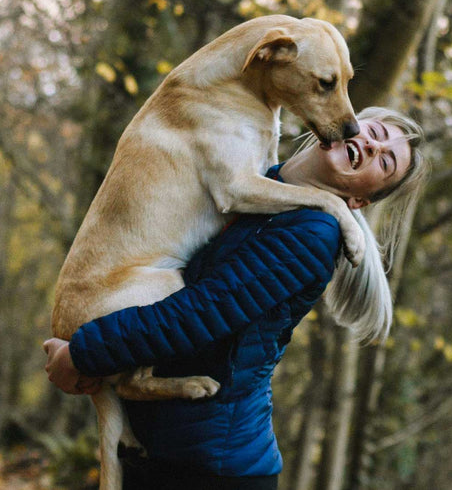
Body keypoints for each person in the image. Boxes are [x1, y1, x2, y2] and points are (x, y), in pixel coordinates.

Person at [43, 107, 428, 490]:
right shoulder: (254, 187)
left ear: (360, 200)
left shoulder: (314, 232)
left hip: (215, 468)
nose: (374, 146)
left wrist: (81, 354)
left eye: (386, 161)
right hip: (156, 448)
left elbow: (198, 315)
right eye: (374, 132)